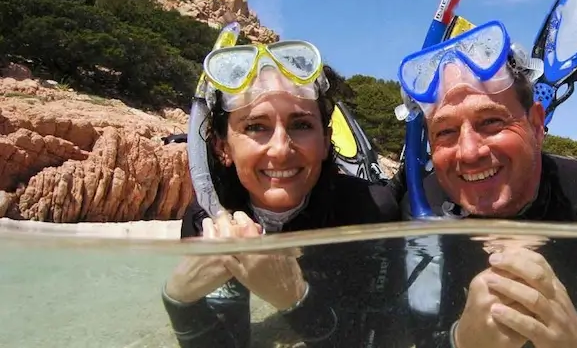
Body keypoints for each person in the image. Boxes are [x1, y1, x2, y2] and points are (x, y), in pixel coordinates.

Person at [393, 20, 577, 347]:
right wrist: (462, 341)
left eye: (491, 122)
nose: (469, 152)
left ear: (537, 125)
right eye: (446, 132)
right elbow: (419, 336)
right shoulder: (422, 210)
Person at [160, 36, 405, 348]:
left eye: (301, 125)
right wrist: (179, 301)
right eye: (255, 127)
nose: (280, 149)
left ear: (326, 140)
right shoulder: (206, 220)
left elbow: (374, 340)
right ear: (223, 148)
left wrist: (295, 298)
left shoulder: (371, 210)